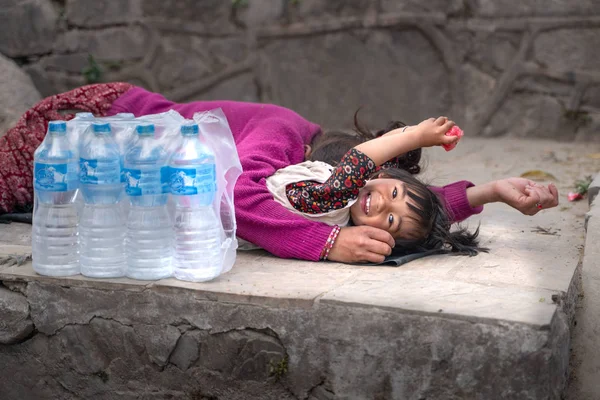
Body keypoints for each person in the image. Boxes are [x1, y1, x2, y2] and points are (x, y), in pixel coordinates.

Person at [0, 83, 559, 264]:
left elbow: (402, 203)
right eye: (371, 190)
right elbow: (241, 203)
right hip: (93, 129)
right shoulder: (279, 136)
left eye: (383, 222)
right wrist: (328, 241)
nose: (373, 210)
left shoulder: (340, 186)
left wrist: (489, 193)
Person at [267, 115, 485, 260]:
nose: (381, 204)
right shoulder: (362, 184)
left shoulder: (332, 204)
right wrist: (419, 132)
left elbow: (358, 161)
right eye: (394, 193)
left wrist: (416, 137)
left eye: (391, 220)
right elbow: (380, 149)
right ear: (384, 175)